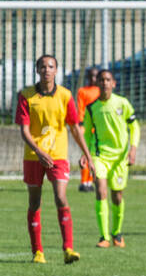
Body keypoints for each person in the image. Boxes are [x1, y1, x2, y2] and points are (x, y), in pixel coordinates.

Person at [15, 54, 94, 264]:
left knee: (61, 197)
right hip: (33, 157)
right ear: (37, 70)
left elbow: (75, 128)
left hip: (58, 155)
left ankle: (68, 249)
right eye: (42, 66)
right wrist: (39, 152)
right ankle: (38, 252)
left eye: (50, 66)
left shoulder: (66, 96)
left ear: (56, 70)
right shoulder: (26, 95)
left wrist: (88, 156)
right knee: (34, 202)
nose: (46, 70)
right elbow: (24, 131)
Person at [83, 68, 139, 248]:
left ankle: (117, 233)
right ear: (97, 83)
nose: (105, 83)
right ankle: (104, 237)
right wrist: (86, 155)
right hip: (100, 156)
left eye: (108, 80)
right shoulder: (91, 108)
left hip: (120, 158)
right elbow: (87, 135)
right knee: (101, 191)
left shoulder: (122, 103)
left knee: (117, 196)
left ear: (113, 83)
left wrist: (133, 149)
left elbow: (135, 127)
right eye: (101, 80)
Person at [75, 65, 102, 193]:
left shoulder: (100, 91)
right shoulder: (83, 91)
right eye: (90, 76)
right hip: (86, 126)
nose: (93, 78)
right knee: (85, 154)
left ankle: (90, 181)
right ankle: (83, 181)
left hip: (97, 127)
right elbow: (80, 108)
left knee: (94, 155)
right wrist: (80, 124)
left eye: (95, 76)